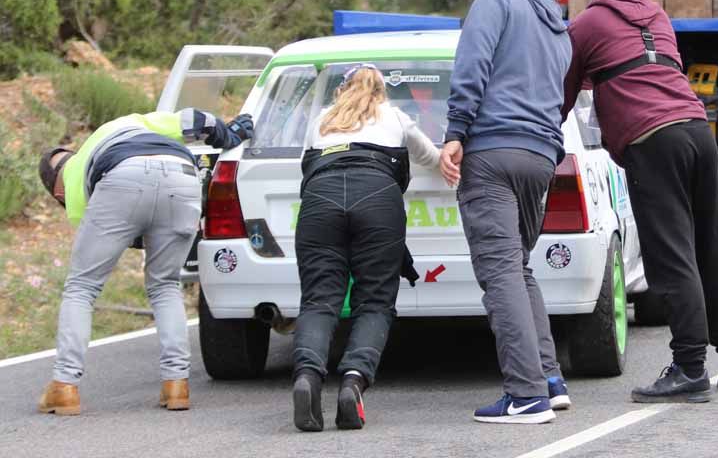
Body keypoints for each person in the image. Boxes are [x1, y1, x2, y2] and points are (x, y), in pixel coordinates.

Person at [561, 0, 718, 404]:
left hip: (652, 140)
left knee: (672, 257)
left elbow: (564, 92)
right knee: (711, 246)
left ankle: (689, 368)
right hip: (695, 129)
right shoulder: (657, 15)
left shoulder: (585, 24)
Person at [36, 107, 254, 416]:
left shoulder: (71, 188)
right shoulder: (125, 123)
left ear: (55, 189)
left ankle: (64, 386)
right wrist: (229, 134)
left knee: (81, 288)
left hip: (121, 177)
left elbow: (118, 237)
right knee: (165, 285)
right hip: (183, 177)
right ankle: (176, 384)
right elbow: (193, 119)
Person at [439, 0, 574, 425]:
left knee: (499, 274)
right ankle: (549, 380)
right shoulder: (562, 34)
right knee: (518, 268)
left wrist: (455, 131)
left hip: (492, 152)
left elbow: (471, 66)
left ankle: (525, 396)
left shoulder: (496, 2)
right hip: (540, 157)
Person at [292, 64, 440, 432]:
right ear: (381, 92)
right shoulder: (395, 116)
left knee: (318, 300)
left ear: (341, 91)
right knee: (373, 300)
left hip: (320, 199)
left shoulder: (322, 121)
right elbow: (432, 159)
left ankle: (307, 377)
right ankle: (353, 381)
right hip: (377, 197)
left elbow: (304, 168)